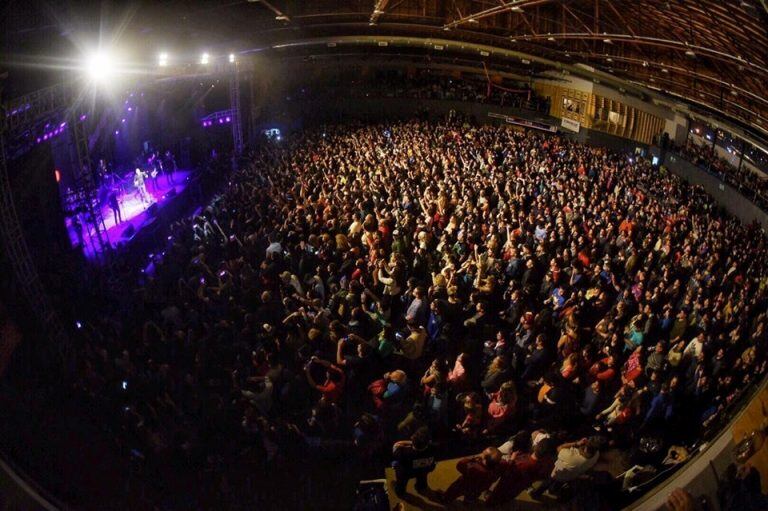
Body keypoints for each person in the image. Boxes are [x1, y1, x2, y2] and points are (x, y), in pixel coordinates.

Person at [392, 429, 435, 497]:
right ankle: (421, 487)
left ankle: (400, 492)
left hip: (406, 472)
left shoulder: (403, 452)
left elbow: (396, 445)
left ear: (412, 440)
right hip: (423, 469)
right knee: (422, 477)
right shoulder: (432, 450)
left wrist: (409, 443)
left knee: (401, 482)